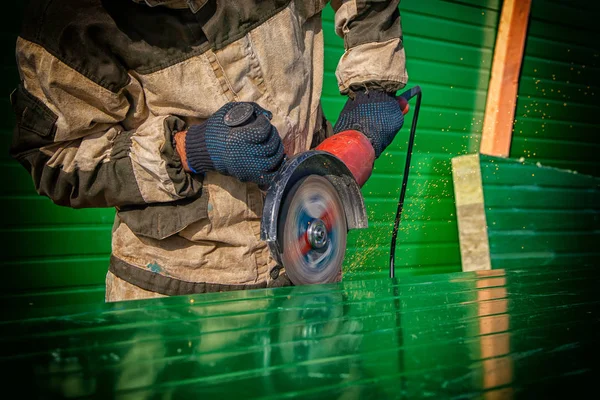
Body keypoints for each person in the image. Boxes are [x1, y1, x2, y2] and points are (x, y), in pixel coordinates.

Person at [10, 0, 408, 302]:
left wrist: (373, 88)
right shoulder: (62, 18)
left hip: (311, 258)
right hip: (177, 293)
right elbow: (55, 159)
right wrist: (190, 149)